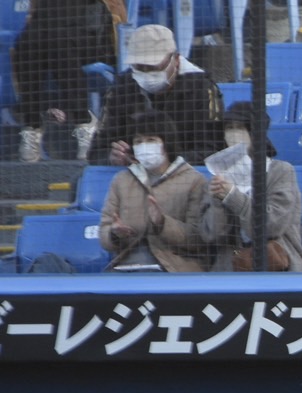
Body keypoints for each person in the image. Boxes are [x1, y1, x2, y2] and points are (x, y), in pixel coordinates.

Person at [90, 23, 226, 166]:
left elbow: (212, 150)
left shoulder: (203, 88)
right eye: (139, 67)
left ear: (176, 60)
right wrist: (112, 158)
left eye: (153, 67)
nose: (146, 73)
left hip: (185, 175)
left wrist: (165, 163)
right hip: (132, 175)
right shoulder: (122, 87)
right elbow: (96, 152)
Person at [98, 110, 215, 273]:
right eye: (138, 141)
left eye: (151, 140)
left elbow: (196, 239)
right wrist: (114, 233)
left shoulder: (195, 181)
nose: (144, 146)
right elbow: (104, 232)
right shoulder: (121, 180)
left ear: (166, 142)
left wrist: (162, 223)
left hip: (174, 268)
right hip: (126, 267)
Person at [11, 0, 123, 162]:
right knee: (26, 42)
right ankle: (32, 125)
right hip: (46, 35)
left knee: (57, 40)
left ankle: (83, 122)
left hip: (91, 33)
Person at [208, 103, 302, 272]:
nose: (233, 134)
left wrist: (233, 196)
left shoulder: (281, 171)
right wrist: (217, 201)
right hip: (231, 266)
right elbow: (212, 235)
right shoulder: (219, 174)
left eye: (240, 127)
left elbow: (271, 226)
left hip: (276, 263)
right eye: (229, 128)